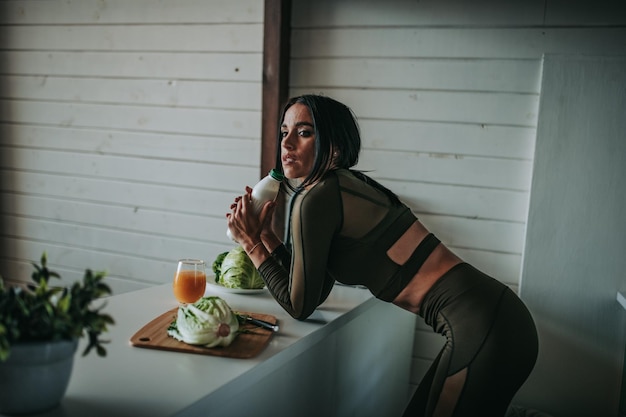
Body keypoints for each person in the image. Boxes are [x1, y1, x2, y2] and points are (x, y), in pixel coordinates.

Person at [226, 94, 538, 417]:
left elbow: (298, 305)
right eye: (284, 132)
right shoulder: (338, 189)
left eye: (304, 132)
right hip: (498, 320)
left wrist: (252, 245)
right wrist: (263, 235)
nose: (287, 142)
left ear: (334, 146)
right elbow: (313, 291)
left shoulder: (315, 199)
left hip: (487, 328)